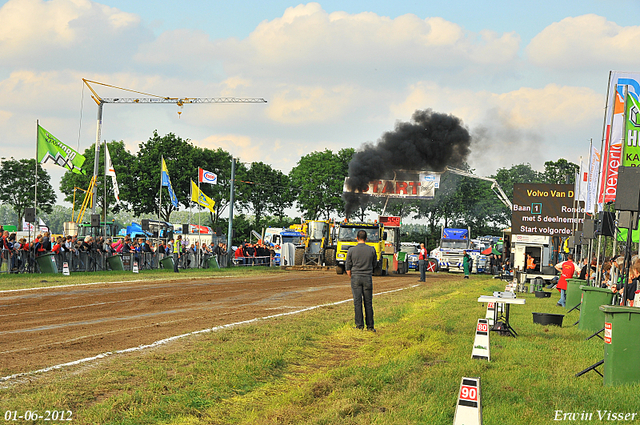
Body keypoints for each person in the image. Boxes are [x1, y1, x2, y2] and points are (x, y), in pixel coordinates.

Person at [345, 230, 377, 332]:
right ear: (366, 238)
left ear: (357, 238)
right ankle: (370, 326)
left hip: (356, 277)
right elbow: (374, 264)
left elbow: (348, 267)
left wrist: (352, 275)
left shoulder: (351, 250)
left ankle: (359, 325)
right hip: (367, 277)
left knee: (357, 302)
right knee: (368, 302)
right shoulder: (372, 250)